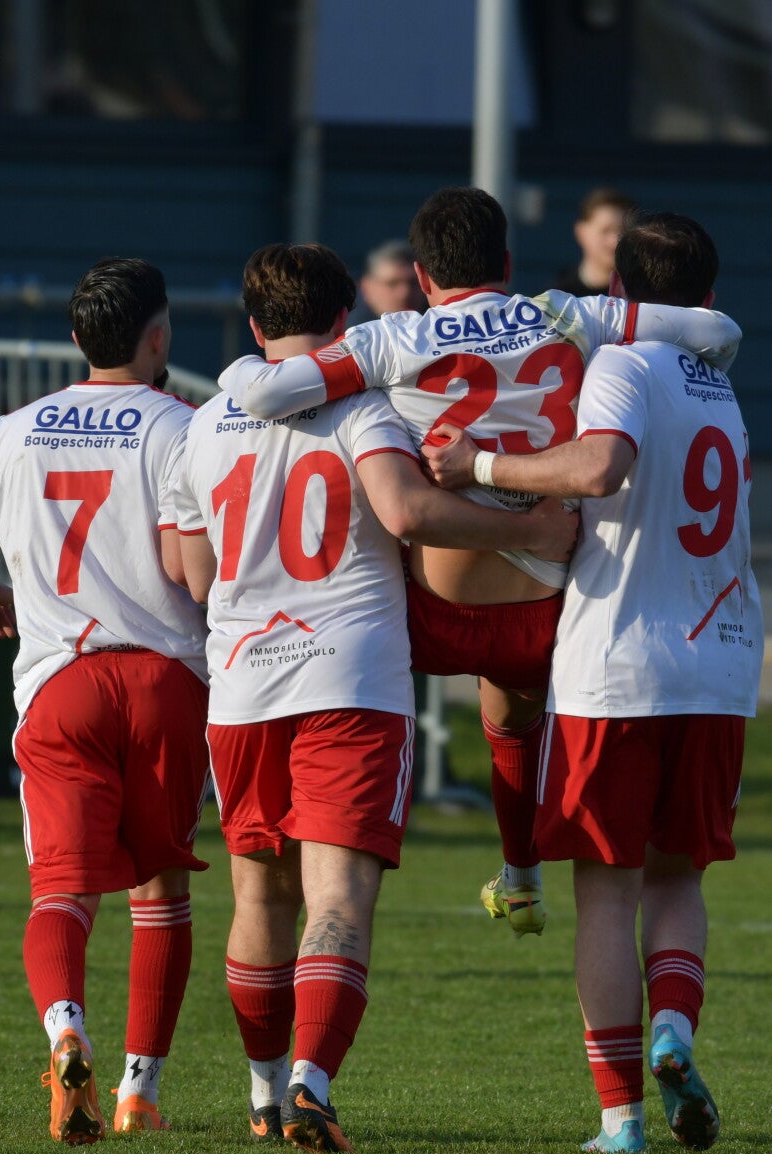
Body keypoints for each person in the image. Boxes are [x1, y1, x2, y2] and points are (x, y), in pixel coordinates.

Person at [217, 186, 740, 940]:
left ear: (423, 277)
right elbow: (712, 327)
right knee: (511, 716)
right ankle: (520, 873)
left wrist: (238, 367)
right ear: (508, 263)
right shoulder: (569, 314)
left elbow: (265, 392)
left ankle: (318, 855)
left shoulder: (392, 337)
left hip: (428, 611)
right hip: (541, 602)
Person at [175, 243, 576, 1153]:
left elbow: (194, 573)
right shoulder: (365, 406)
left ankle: (262, 1094)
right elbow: (407, 513)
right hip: (349, 677)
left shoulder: (205, 422)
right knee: (340, 898)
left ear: (253, 327)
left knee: (259, 898)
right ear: (344, 321)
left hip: (243, 685)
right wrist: (527, 529)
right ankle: (312, 1083)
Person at [426, 212, 759, 1154]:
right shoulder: (722, 386)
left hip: (619, 661)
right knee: (678, 875)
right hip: (722, 660)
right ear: (705, 295)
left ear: (620, 293)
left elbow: (602, 466)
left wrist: (481, 463)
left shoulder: (621, 364)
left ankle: (620, 1117)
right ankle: (674, 1031)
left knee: (607, 892)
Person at [0, 258, 210, 1145]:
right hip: (166, 679)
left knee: (60, 893)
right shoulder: (182, 427)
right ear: (159, 335)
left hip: (62, 684)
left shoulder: (15, 431)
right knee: (161, 894)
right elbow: (188, 562)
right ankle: (138, 1094)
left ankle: (65, 1031)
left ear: (78, 338)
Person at [550, 187, 635, 297]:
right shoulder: (559, 297)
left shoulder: (642, 297)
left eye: (623, 231)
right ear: (581, 232)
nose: (615, 241)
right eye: (606, 230)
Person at [353, 239, 424, 323]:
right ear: (366, 288)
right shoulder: (348, 329)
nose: (404, 293)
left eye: (413, 283)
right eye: (392, 283)